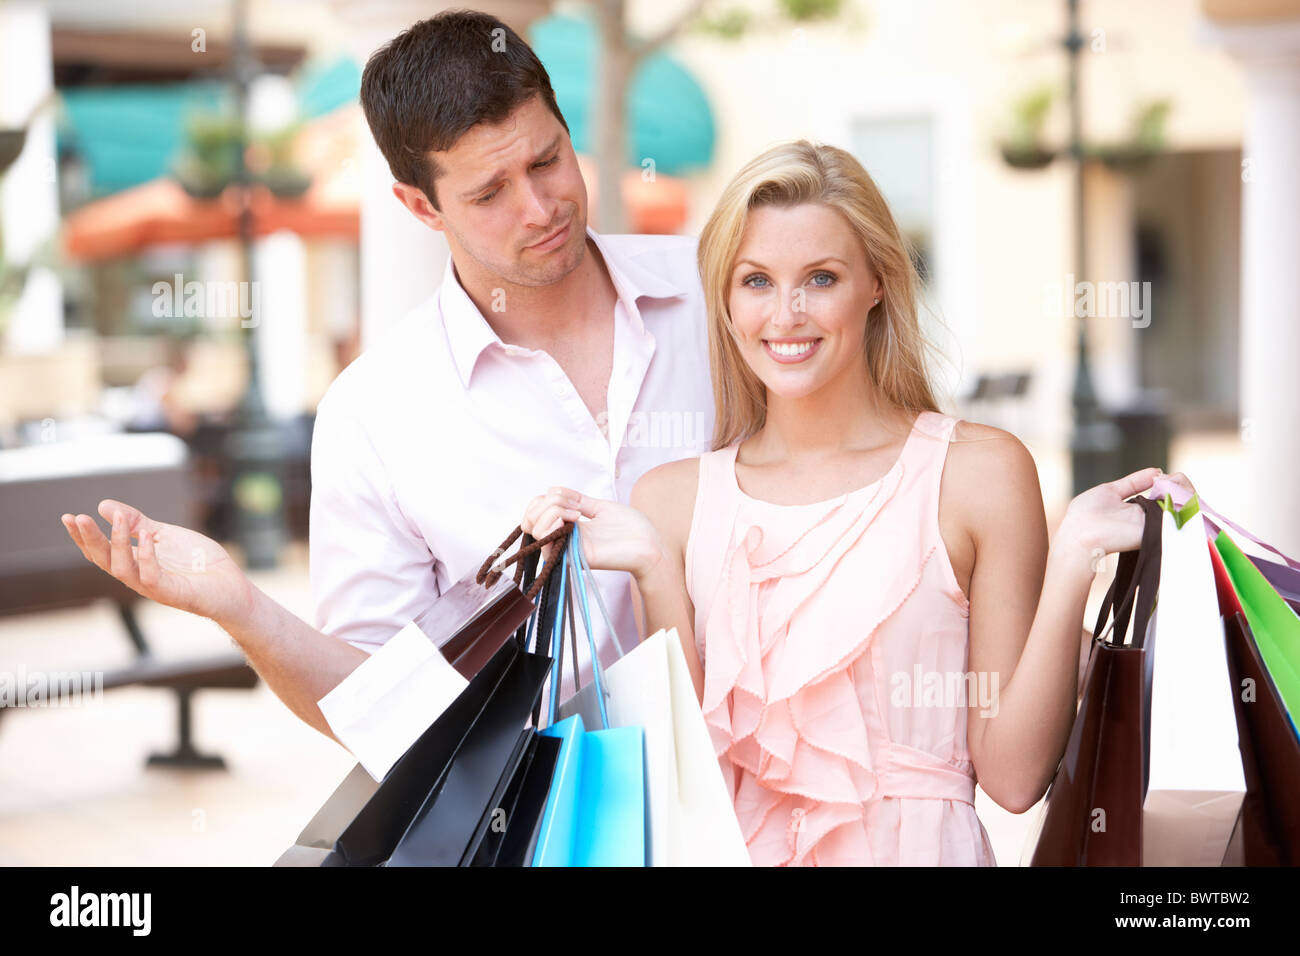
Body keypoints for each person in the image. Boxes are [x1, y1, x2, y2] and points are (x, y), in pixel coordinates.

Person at [520, 140, 1195, 866]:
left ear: (876, 281)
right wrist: (653, 568)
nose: (787, 314)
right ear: (723, 298)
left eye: (821, 277)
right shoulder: (673, 501)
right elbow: (688, 788)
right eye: (756, 281)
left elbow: (1013, 776)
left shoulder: (978, 472)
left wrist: (1071, 566)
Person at [58, 10, 713, 741]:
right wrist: (240, 605)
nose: (539, 208)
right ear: (419, 207)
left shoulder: (721, 293)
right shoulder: (374, 415)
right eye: (489, 193)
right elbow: (376, 702)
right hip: (558, 821)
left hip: (777, 796)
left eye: (546, 160)